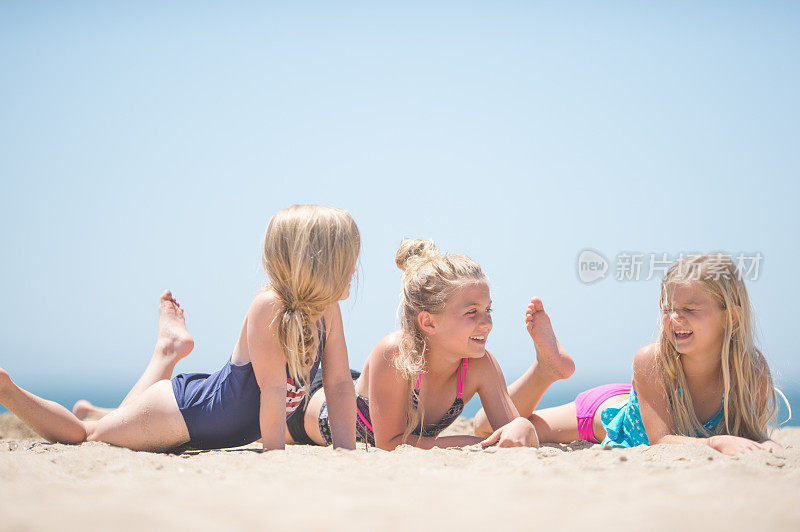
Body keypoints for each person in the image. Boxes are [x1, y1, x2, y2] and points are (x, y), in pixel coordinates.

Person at [0, 204, 360, 452]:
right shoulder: (270, 306)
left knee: (114, 421)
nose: (354, 272)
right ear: (317, 264)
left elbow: (341, 383)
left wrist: (346, 451)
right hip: (186, 414)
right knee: (86, 437)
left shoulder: (328, 310)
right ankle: (8, 391)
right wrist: (274, 454)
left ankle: (167, 351)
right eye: (348, 262)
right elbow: (272, 388)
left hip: (212, 422)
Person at [474, 254, 784, 456]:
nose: (674, 318)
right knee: (488, 426)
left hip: (648, 397)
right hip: (614, 412)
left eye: (689, 309)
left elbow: (750, 436)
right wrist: (715, 443)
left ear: (731, 317)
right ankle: (545, 370)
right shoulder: (652, 360)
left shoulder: (750, 368)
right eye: (667, 309)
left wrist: (766, 444)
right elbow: (661, 441)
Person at [282, 238, 539, 450]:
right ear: (428, 322)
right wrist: (479, 444)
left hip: (377, 388)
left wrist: (522, 425)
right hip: (304, 406)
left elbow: (511, 430)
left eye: (488, 310)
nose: (487, 323)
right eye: (472, 312)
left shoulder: (480, 365)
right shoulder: (396, 352)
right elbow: (389, 444)